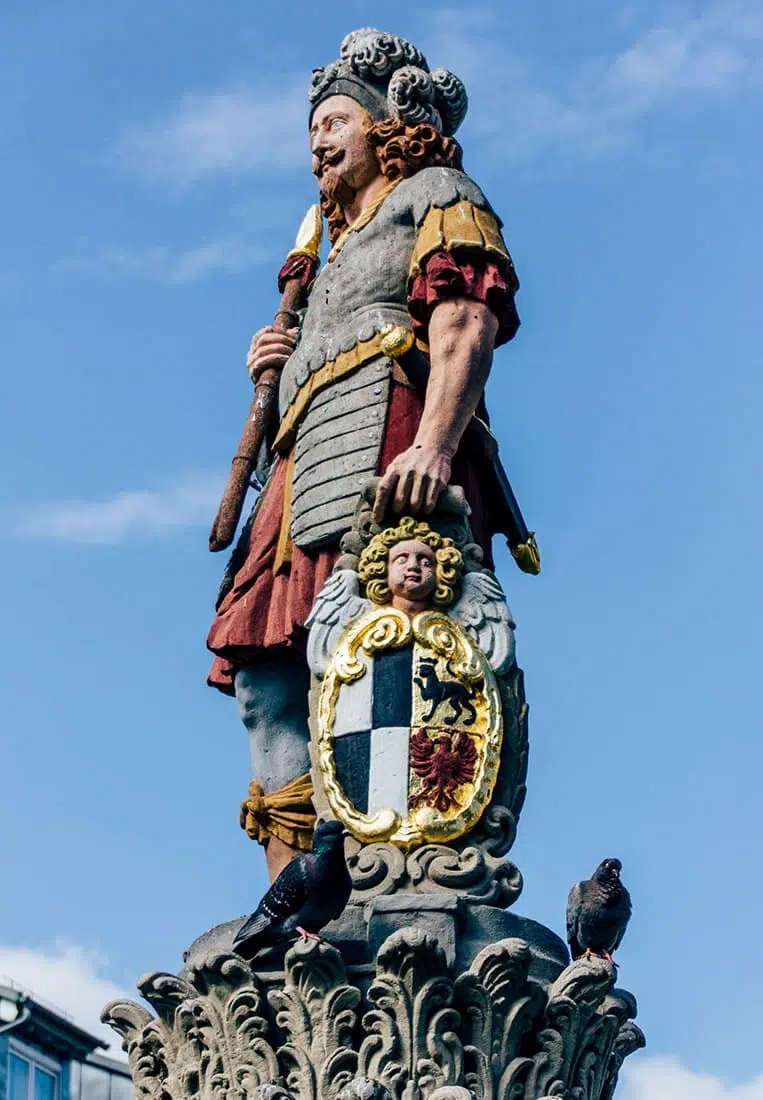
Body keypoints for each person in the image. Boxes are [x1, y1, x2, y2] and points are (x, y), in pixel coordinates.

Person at [207, 29, 521, 878]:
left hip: (389, 446)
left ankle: (407, 873)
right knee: (266, 683)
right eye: (312, 126)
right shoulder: (324, 254)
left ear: (386, 127)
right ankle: (290, 899)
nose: (317, 139)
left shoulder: (437, 194)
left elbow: (465, 320)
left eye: (336, 119)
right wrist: (278, 354)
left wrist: (431, 444)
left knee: (390, 651)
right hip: (300, 467)